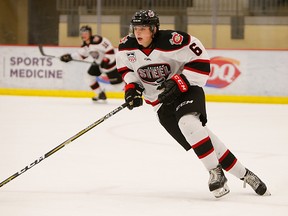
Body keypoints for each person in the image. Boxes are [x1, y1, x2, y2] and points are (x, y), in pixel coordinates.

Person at [116, 10, 271, 198]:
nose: (138, 32)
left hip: (186, 90)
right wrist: (132, 88)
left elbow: (202, 61)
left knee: (188, 123)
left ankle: (215, 172)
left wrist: (180, 81)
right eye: (136, 28)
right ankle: (246, 175)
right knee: (207, 141)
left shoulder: (174, 40)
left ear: (154, 29)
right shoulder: (126, 47)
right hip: (160, 104)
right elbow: (126, 70)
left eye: (143, 28)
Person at [60, 25, 123, 101]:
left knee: (118, 86)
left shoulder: (98, 40)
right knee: (89, 77)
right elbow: (82, 55)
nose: (84, 35)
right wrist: (70, 57)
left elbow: (110, 50)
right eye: (82, 33)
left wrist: (106, 60)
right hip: (99, 64)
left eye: (86, 33)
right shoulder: (86, 45)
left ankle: (134, 93)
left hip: (111, 65)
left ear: (90, 33)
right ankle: (100, 94)